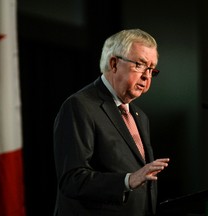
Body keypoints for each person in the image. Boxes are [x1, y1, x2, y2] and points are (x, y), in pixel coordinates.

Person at [53, 29, 170, 216]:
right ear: (114, 64)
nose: (147, 76)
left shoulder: (140, 116)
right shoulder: (80, 106)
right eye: (140, 65)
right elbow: (72, 179)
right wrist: (127, 180)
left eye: (151, 69)